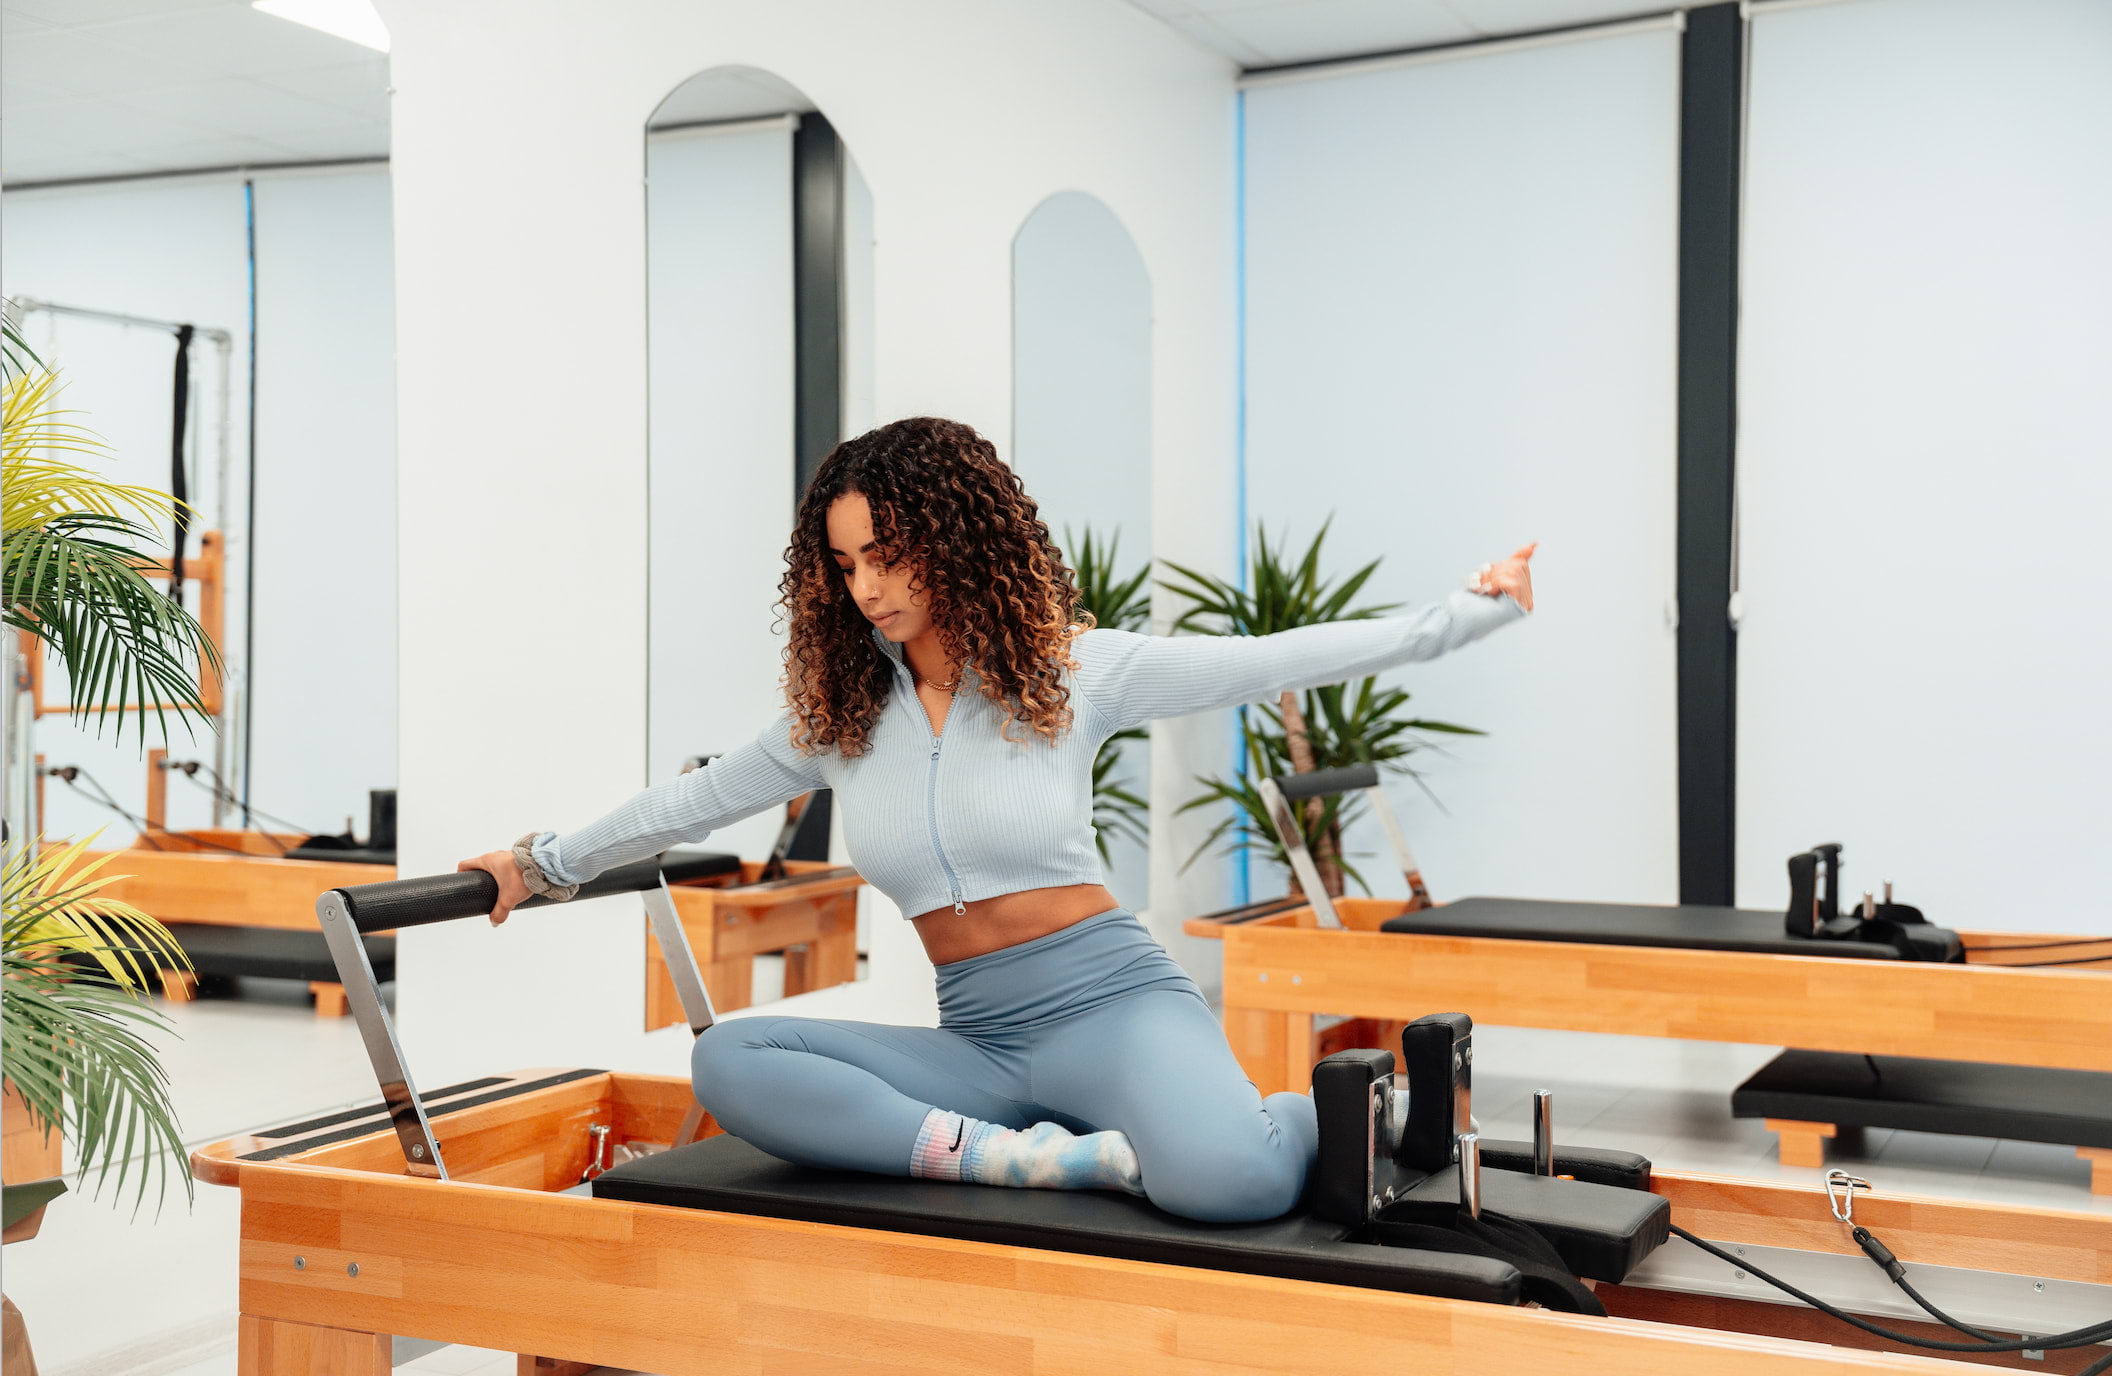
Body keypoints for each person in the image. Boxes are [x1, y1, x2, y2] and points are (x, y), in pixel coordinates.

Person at [459, 416, 1534, 1223]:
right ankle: (1035, 1155)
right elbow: (687, 801)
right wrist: (536, 863)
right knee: (733, 1058)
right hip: (979, 1037)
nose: (866, 586)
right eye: (844, 564)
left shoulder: (1073, 672)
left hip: (1110, 1000)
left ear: (958, 538)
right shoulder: (839, 717)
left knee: (1234, 1183)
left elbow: (1277, 657)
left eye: (887, 554)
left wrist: (1469, 612)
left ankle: (1349, 1111)